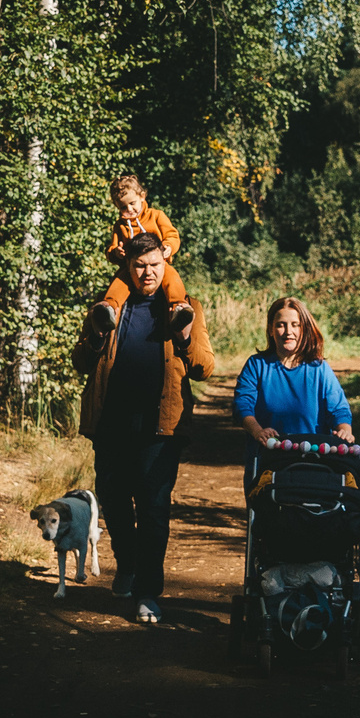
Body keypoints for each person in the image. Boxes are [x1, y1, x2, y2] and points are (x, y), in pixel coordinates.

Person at [69, 231, 215, 623]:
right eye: (139, 266)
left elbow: (204, 367)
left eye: (154, 265)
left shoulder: (186, 307)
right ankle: (128, 562)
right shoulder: (110, 308)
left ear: (164, 264)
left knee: (153, 508)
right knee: (114, 500)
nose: (148, 272)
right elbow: (80, 361)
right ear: (128, 269)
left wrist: (183, 333)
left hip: (161, 427)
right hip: (112, 422)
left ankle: (148, 591)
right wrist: (98, 334)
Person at [234, 296, 353, 452]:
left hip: (314, 458)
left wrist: (345, 431)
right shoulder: (256, 365)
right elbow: (242, 405)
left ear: (303, 329)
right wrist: (258, 431)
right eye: (281, 325)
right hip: (267, 457)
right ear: (271, 329)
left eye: (295, 325)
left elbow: (339, 410)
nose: (288, 332)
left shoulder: (319, 368)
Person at [102, 174, 185, 302]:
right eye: (123, 207)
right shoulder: (120, 226)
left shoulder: (156, 215)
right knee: (118, 283)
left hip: (158, 262)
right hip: (131, 268)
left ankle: (178, 305)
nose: (129, 209)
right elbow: (111, 249)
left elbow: (172, 235)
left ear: (142, 197)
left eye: (132, 203)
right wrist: (116, 252)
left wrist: (169, 246)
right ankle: (110, 308)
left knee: (172, 279)